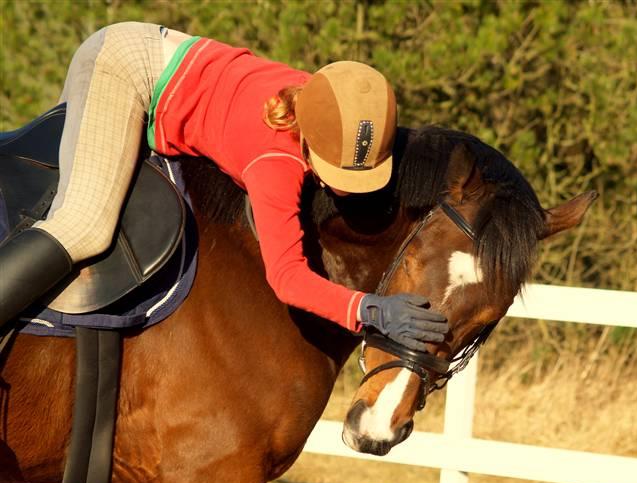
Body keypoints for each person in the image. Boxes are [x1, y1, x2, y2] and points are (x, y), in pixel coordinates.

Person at [0, 22, 447, 351]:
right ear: (307, 139)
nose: (348, 190)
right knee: (85, 225)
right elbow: (288, 279)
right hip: (126, 70)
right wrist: (369, 309)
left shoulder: (321, 96)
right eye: (340, 174)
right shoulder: (274, 160)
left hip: (149, 48)